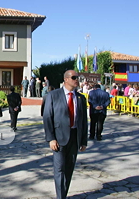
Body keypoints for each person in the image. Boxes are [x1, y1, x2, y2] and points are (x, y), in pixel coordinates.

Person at [43, 70, 88, 198]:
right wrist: (51, 139)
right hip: (59, 138)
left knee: (69, 169)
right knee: (59, 169)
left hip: (75, 138)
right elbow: (47, 118)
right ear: (66, 79)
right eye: (74, 77)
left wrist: (83, 140)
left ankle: (63, 194)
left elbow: (84, 121)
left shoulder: (80, 98)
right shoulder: (53, 95)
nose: (77, 80)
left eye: (77, 78)